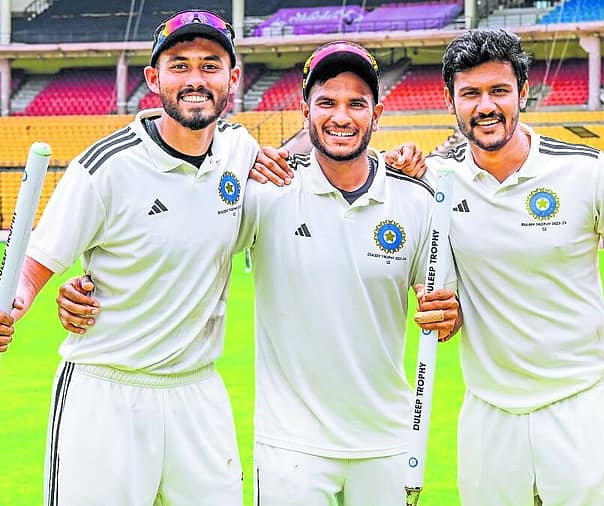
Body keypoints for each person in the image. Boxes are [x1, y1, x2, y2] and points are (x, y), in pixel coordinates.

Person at [56, 41, 461, 506]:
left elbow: (445, 313)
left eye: (356, 104)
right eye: (326, 102)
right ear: (305, 111)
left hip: (387, 440)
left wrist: (447, 317)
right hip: (291, 446)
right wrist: (94, 286)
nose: (341, 117)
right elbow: (184, 242)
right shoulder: (268, 191)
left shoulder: (416, 199)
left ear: (378, 113)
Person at [411, 29, 604, 505]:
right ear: (450, 100)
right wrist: (441, 316)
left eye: (499, 90)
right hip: (489, 410)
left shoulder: (584, 170)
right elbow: (441, 301)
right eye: (470, 93)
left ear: (523, 92)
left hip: (578, 403)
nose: (486, 106)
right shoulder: (436, 182)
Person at [0, 10, 261, 505]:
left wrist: (396, 162)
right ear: (153, 78)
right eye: (179, 65)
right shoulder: (105, 167)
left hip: (199, 395)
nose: (195, 79)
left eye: (210, 65)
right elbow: (28, 269)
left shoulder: (240, 150)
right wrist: (0, 307)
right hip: (106, 393)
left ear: (233, 79)